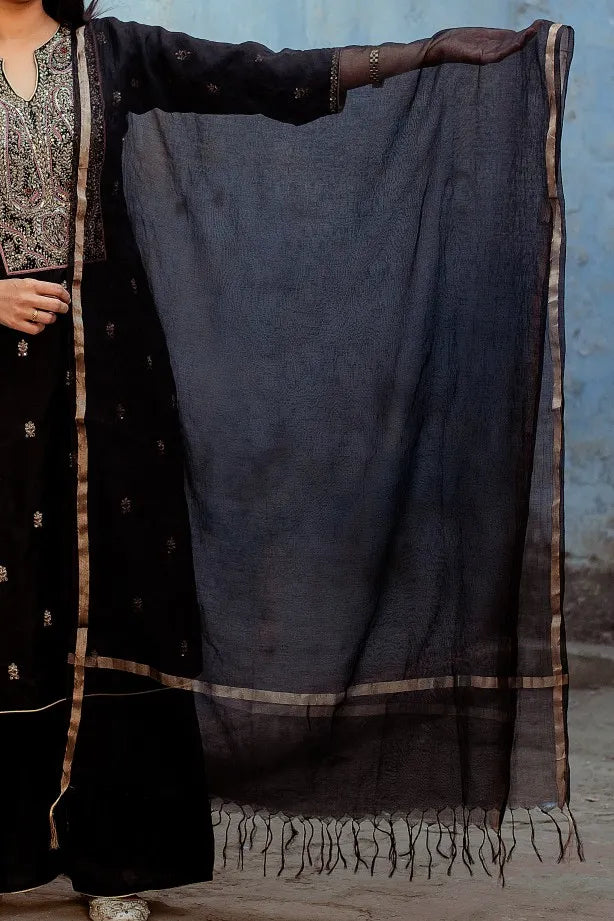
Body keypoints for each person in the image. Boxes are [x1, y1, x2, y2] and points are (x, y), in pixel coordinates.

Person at [0, 1, 542, 918]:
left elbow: (263, 75)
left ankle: (121, 856)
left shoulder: (111, 51)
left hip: (114, 377)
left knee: (125, 595)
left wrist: (420, 54)